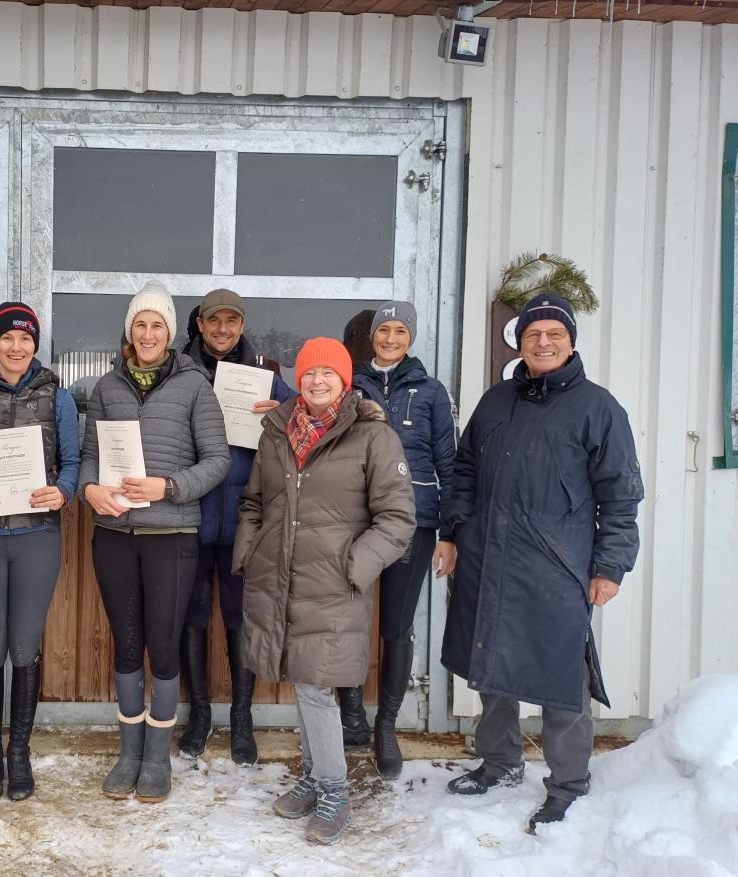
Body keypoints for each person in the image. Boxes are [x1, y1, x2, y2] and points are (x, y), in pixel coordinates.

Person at [442, 293, 643, 834]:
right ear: (521, 343)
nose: (544, 342)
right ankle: (501, 763)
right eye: (533, 335)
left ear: (571, 341)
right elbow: (464, 472)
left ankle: (568, 784)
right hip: (489, 557)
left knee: (562, 680)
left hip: (558, 566)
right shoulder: (496, 401)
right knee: (491, 670)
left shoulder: (598, 408)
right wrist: (454, 533)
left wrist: (610, 566)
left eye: (554, 333)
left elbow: (620, 496)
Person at [234, 337, 415, 845]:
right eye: (309, 373)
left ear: (344, 380)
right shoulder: (277, 433)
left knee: (315, 684)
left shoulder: (372, 437)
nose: (316, 381)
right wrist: (250, 552)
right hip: (279, 577)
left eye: (327, 374)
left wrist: (354, 566)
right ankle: (315, 777)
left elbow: (398, 517)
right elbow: (254, 501)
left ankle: (335, 790)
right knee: (298, 675)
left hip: (333, 582)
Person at [79, 280, 230, 803]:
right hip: (115, 533)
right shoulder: (107, 387)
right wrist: (90, 489)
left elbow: (218, 460)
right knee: (125, 646)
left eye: (157, 325)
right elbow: (90, 454)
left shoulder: (194, 386)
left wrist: (168, 486)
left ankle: (157, 755)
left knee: (163, 649)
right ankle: (129, 751)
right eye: (139, 324)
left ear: (170, 333)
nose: (147, 333)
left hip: (171, 534)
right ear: (129, 330)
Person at [0, 302, 80, 803]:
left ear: (36, 343)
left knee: (25, 645)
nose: (16, 347)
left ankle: (19, 752)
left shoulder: (58, 397)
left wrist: (65, 491)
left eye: (25, 339)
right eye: (7, 338)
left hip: (36, 536)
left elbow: (70, 460)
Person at [178, 289, 295, 765]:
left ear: (242, 326)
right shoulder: (178, 370)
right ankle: (200, 714)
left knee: (239, 620)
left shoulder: (266, 378)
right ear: (200, 325)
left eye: (232, 321)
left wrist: (283, 415)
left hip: (246, 522)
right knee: (191, 617)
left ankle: (241, 719)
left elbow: (311, 417)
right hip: (187, 516)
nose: (223, 329)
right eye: (214, 321)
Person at [348, 301, 458, 779]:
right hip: (353, 519)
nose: (390, 339)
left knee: (396, 624)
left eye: (399, 331)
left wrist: (451, 531)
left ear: (410, 337)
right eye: (383, 331)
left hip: (413, 523)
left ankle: (385, 726)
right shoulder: (350, 384)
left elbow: (450, 464)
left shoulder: (431, 392)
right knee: (346, 617)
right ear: (371, 337)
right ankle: (351, 713)